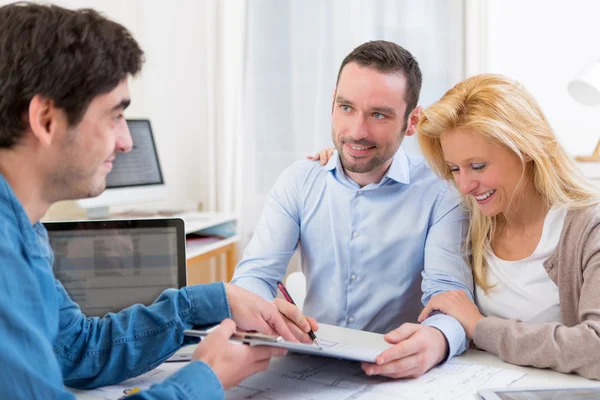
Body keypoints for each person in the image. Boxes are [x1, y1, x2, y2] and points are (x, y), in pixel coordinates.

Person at [0, 3, 296, 399]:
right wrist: (204, 379)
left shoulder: (24, 227)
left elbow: (75, 349)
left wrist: (213, 300)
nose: (127, 142)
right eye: (114, 116)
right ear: (47, 119)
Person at [231, 40, 474, 379]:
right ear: (332, 103)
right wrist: (261, 307)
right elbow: (253, 276)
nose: (357, 132)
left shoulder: (442, 194)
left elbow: (449, 296)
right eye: (346, 107)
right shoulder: (300, 181)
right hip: (306, 366)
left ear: (412, 121)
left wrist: (437, 340)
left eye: (378, 114)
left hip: (396, 374)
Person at [416, 74, 600, 380]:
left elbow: (595, 348)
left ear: (525, 149)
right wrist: (334, 163)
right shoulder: (469, 220)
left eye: (478, 166)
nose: (464, 185)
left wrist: (480, 327)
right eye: (454, 169)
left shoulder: (588, 229)